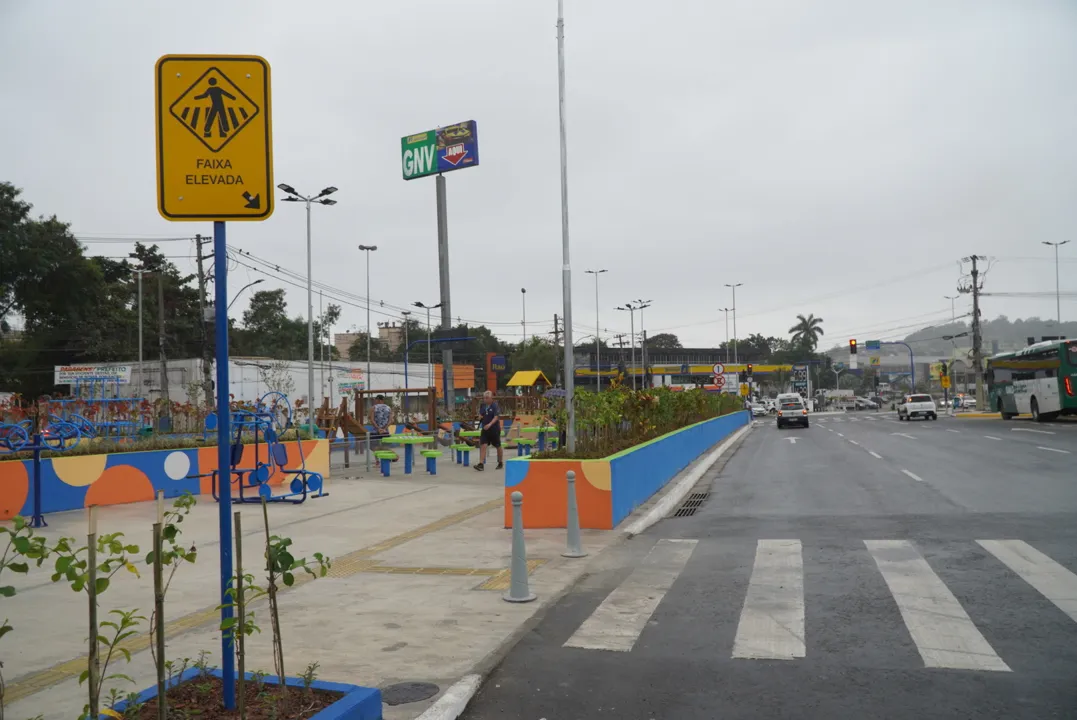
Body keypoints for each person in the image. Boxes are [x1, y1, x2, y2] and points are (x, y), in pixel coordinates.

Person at [474, 390, 503, 471]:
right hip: (485, 429)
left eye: (487, 398)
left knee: (498, 446)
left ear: (491, 398)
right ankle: (481, 464)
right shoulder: (483, 405)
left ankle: (500, 462)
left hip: (494, 429)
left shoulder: (495, 406)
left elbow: (496, 417)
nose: (485, 399)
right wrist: (479, 417)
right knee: (483, 445)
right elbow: (481, 414)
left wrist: (490, 424)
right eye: (484, 398)